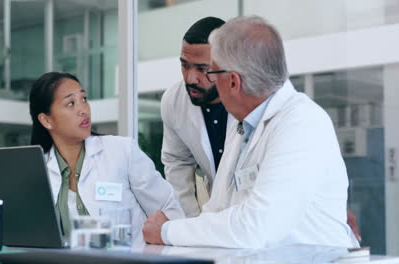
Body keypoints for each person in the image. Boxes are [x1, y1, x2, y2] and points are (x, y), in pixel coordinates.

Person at [143, 16, 360, 249]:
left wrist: (167, 231)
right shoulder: (244, 127)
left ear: (233, 82)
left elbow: (256, 226)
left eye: (211, 72)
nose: (192, 79)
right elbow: (216, 210)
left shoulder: (302, 124)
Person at [29, 72, 184, 242]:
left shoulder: (122, 151)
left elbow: (169, 208)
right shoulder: (38, 171)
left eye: (84, 99)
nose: (83, 109)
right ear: (46, 120)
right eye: (71, 103)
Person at [161, 17, 234, 218]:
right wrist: (190, 223)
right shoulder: (174, 100)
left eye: (202, 69)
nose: (190, 78)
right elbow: (177, 163)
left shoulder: (249, 100)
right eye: (184, 65)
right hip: (213, 215)